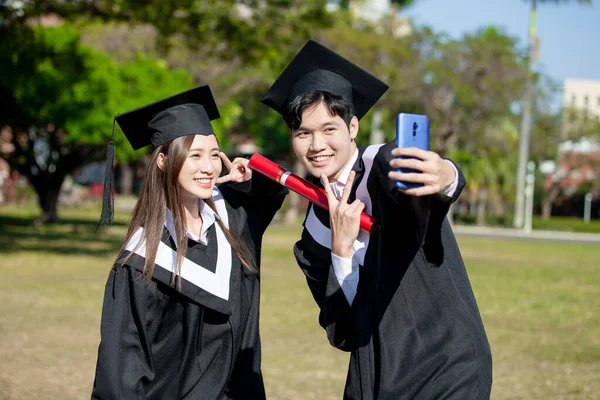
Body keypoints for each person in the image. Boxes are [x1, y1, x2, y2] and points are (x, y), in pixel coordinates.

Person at [261, 40, 492, 399]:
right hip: (376, 375)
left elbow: (419, 181)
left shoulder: (382, 167)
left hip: (445, 363)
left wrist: (445, 174)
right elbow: (345, 333)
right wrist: (340, 252)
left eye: (329, 129)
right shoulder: (312, 237)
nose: (316, 145)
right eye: (303, 133)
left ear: (353, 126)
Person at [91, 85, 286, 399]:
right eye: (194, 155)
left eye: (213, 154)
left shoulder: (233, 223)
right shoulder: (143, 261)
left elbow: (273, 189)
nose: (208, 167)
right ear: (163, 161)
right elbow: (121, 368)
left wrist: (248, 174)